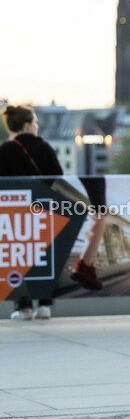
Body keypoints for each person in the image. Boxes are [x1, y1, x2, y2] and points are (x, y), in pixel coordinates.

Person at [0, 105, 62, 320]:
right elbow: (58, 176)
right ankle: (44, 304)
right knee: (44, 255)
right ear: (27, 125)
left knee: (20, 256)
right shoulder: (44, 148)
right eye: (35, 122)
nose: (36, 126)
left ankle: (23, 306)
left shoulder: (5, 150)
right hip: (43, 209)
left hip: (15, 212)